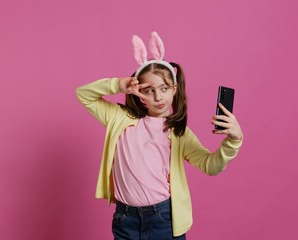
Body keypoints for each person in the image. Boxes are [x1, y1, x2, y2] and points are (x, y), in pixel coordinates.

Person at [76, 32, 243, 240]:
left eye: (164, 88)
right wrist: (118, 85)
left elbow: (211, 165)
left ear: (174, 89)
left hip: (163, 219)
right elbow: (83, 94)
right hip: (125, 220)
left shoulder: (179, 133)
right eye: (149, 90)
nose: (158, 97)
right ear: (139, 94)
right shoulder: (119, 117)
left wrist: (233, 141)